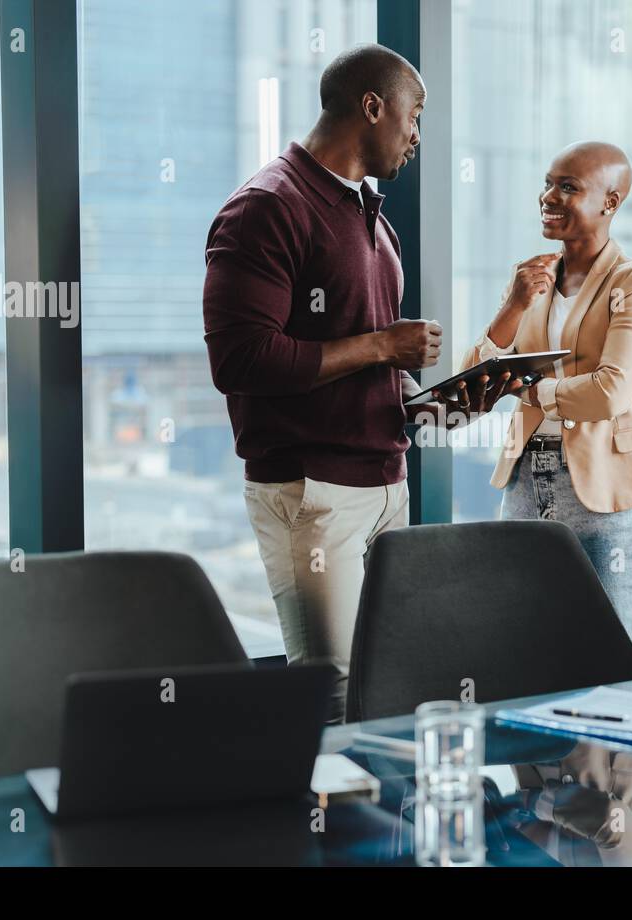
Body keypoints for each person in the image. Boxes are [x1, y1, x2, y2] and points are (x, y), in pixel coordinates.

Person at [203, 44, 497, 722]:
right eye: (414, 115)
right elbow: (240, 360)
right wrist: (381, 345)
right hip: (314, 493)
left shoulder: (373, 220)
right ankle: (323, 830)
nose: (418, 135)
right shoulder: (266, 207)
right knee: (333, 696)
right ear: (372, 107)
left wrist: (447, 406)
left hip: (386, 486)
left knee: (390, 689)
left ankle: (380, 829)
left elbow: (367, 377)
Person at [457, 141, 632, 664]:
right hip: (527, 480)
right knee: (525, 651)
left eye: (568, 187)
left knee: (617, 659)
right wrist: (514, 304)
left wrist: (530, 390)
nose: (549, 196)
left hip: (606, 490)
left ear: (610, 202)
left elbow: (610, 389)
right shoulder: (533, 280)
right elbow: (473, 383)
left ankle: (616, 751)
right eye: (548, 183)